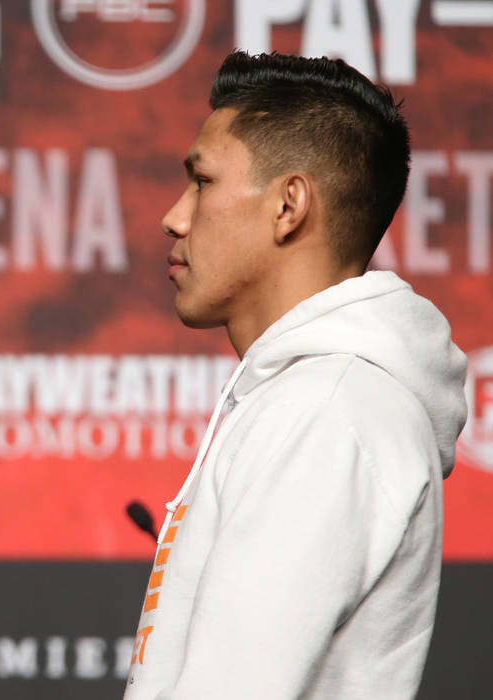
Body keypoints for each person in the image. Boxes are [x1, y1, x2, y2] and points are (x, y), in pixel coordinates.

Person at [124, 51, 467, 699]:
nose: (175, 216)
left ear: (289, 206)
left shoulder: (325, 412)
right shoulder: (306, 400)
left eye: (201, 182)